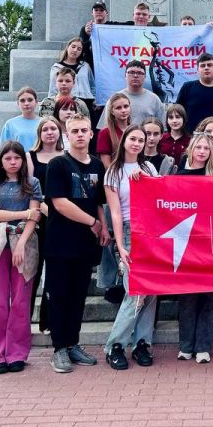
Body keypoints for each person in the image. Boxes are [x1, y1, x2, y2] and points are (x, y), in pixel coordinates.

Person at [43, 113, 107, 373]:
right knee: (59, 295)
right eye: (75, 131)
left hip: (85, 244)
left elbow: (99, 201)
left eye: (84, 130)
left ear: (91, 134)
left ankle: (72, 343)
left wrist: (103, 226)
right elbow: (59, 203)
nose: (80, 135)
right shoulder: (58, 164)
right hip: (60, 242)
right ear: (66, 135)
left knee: (78, 296)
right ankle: (59, 348)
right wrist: (92, 222)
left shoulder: (97, 165)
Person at [0, 141, 43, 374]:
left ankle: (16, 353)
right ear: (1, 161)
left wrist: (21, 244)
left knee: (20, 302)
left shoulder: (32, 183)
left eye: (17, 158)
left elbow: (35, 217)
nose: (13, 162)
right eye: (8, 158)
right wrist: (25, 213)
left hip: (24, 245)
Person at [104, 125, 159, 370]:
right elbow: (115, 212)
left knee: (151, 291)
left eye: (141, 140)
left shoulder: (148, 168)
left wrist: (146, 182)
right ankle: (115, 345)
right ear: (124, 140)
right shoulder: (113, 172)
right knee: (136, 291)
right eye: (133, 139)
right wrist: (120, 245)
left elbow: (159, 199)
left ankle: (142, 343)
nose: (137, 143)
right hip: (129, 230)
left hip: (151, 231)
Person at [175, 133, 213, 363]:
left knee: (208, 298)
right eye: (199, 147)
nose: (202, 151)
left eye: (206, 148)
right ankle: (186, 346)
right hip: (185, 243)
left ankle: (203, 346)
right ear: (191, 149)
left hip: (210, 244)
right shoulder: (178, 177)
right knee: (187, 298)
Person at [27, 116, 63, 333]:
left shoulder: (66, 156)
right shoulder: (30, 156)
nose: (50, 132)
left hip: (61, 219)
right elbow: (29, 188)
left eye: (53, 128)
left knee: (54, 273)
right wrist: (42, 208)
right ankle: (23, 321)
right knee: (34, 271)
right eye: (45, 129)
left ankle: (47, 321)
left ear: (59, 132)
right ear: (39, 134)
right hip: (39, 218)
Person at [176, 53, 213, 132]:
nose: (206, 68)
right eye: (202, 66)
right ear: (197, 70)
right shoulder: (187, 88)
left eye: (209, 65)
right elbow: (177, 112)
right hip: (191, 137)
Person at [105, 59, 163, 127]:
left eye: (139, 73)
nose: (135, 76)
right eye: (131, 72)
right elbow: (105, 127)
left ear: (145, 77)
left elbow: (162, 127)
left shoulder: (154, 99)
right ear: (125, 75)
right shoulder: (114, 99)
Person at [47, 38, 96, 112]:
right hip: (68, 102)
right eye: (73, 47)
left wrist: (95, 99)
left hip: (87, 102)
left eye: (79, 49)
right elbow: (53, 87)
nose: (75, 50)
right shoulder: (56, 67)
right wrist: (52, 103)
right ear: (67, 47)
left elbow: (92, 85)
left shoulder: (85, 66)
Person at [0, 87, 41, 152]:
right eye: (22, 101)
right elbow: (3, 149)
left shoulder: (43, 123)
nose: (26, 103)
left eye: (30, 100)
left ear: (36, 102)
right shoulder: (10, 124)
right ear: (18, 103)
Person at [96, 93, 131, 167]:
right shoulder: (105, 132)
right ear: (112, 111)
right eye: (118, 108)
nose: (123, 110)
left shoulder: (135, 130)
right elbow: (106, 164)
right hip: (114, 172)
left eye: (126, 106)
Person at [79, 1, 110, 70]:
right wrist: (87, 35)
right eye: (96, 10)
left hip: (108, 65)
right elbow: (81, 49)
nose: (99, 12)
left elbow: (128, 26)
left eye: (101, 10)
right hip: (91, 66)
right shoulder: (85, 29)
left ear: (107, 13)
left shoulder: (112, 26)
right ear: (92, 13)